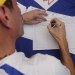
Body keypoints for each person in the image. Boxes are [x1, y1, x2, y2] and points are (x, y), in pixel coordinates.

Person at [0, 0, 75, 75]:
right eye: (16, 5)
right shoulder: (47, 67)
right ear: (4, 14)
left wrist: (21, 19)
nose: (19, 11)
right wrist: (62, 41)